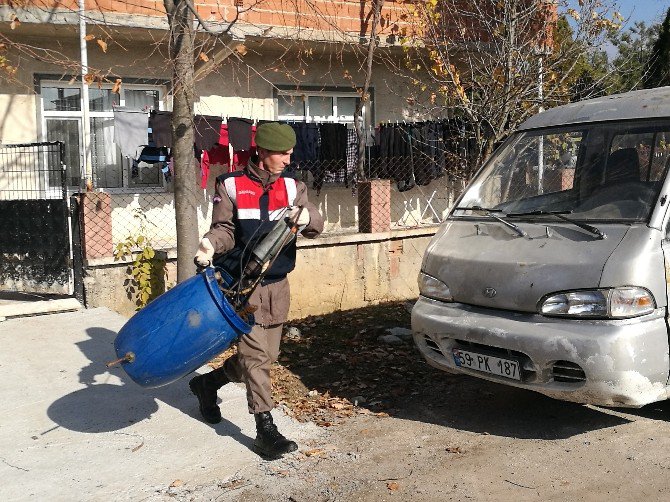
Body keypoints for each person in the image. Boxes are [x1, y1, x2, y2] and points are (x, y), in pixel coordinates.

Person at [190, 122, 324, 459]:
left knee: (269, 356)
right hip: (242, 287)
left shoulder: (294, 187)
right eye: (282, 153)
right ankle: (265, 429)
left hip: (278, 286)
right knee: (255, 359)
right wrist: (209, 244)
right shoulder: (230, 184)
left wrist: (308, 219)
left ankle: (208, 384)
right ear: (261, 152)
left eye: (290, 153)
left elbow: (315, 223)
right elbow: (224, 230)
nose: (287, 159)